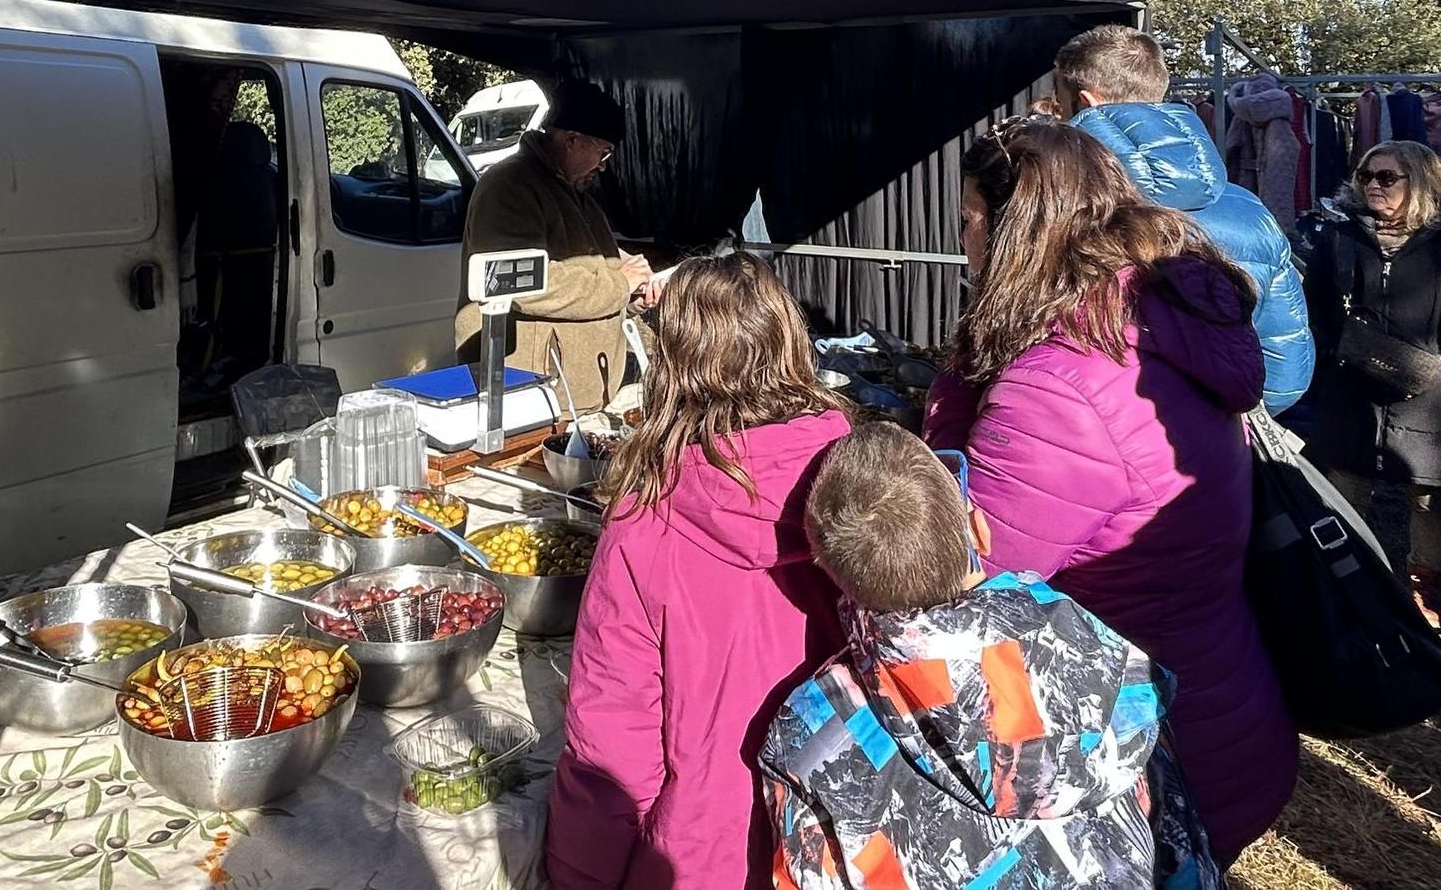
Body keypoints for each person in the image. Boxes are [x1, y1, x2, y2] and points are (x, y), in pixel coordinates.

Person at [925, 118, 1297, 863]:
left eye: (969, 219)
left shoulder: (1060, 387)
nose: (962, 240)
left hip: (1141, 756)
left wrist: (955, 387)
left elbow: (959, 574)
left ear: (1014, 231)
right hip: (1211, 698)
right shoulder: (1148, 320)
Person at [761, 423, 1221, 890]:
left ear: (832, 574)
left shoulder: (811, 731)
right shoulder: (1108, 661)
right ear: (978, 531)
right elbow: (1180, 844)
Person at [546, 253, 853, 890]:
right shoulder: (859, 479)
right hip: (842, 836)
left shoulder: (645, 521)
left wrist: (578, 875)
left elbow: (614, 746)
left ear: (670, 365)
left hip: (705, 854)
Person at [1301, 141, 1441, 631]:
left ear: (1421, 181)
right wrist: (1332, 356)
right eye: (1365, 175)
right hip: (1352, 388)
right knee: (1344, 487)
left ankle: (1423, 590)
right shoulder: (1341, 237)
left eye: (1387, 177)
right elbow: (1316, 308)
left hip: (1430, 396)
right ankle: (1349, 582)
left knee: (1430, 494)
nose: (1372, 186)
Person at [1055, 24, 1313, 416]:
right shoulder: (1249, 209)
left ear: (1085, 102)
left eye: (1061, 105)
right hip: (1218, 440)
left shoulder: (1060, 209)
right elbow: (1285, 372)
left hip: (1087, 431)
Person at [455, 77, 658, 412]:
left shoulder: (575, 192)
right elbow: (523, 285)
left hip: (570, 393)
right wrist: (621, 284)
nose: (603, 165)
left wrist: (634, 294)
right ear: (572, 140)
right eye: (603, 152)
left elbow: (600, 268)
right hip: (530, 392)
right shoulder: (509, 187)